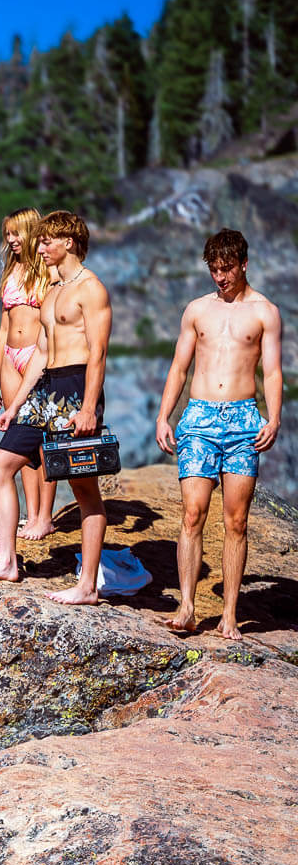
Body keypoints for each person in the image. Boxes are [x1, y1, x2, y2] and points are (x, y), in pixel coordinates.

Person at [0, 209, 112, 605]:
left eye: (48, 241)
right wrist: (16, 405)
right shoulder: (52, 291)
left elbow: (98, 354)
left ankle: (88, 587)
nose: (40, 247)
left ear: (69, 242)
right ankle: (7, 561)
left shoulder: (91, 289)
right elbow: (42, 352)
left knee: (84, 487)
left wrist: (89, 409)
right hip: (45, 388)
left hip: (77, 386)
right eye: (40, 240)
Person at [154, 228, 282, 639]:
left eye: (227, 269)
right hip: (200, 418)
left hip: (244, 420)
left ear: (244, 264)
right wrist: (164, 416)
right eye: (214, 269)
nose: (220, 277)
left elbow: (273, 371)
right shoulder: (196, 310)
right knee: (192, 513)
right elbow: (178, 366)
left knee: (237, 521)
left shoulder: (265, 311)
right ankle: (187, 606)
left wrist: (273, 418)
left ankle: (229, 614)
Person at [0, 207, 54, 539]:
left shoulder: (47, 270)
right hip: (10, 358)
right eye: (8, 234)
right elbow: (4, 327)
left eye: (17, 233)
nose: (12, 240)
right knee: (21, 439)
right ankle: (31, 514)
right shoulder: (11, 269)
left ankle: (45, 514)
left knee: (42, 439)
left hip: (36, 356)